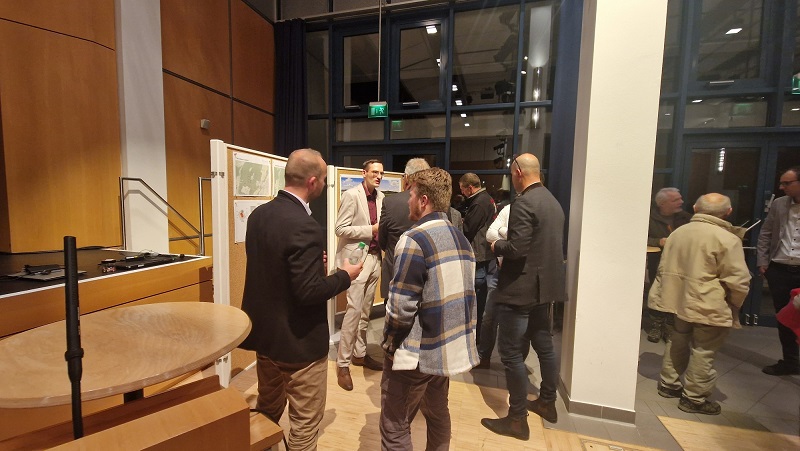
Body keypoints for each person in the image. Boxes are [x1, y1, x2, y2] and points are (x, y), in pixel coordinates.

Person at [239, 148, 362, 450]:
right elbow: (309, 292)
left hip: (265, 339)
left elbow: (273, 269)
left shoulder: (258, 216)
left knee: (267, 409)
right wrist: (345, 275)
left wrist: (311, 265)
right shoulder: (306, 226)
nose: (324, 184)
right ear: (312, 182)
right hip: (299, 346)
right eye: (323, 178)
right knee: (305, 426)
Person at [380, 168, 478, 450]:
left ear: (423, 200)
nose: (408, 201)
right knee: (437, 414)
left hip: (417, 354)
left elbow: (400, 308)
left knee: (394, 425)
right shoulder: (461, 239)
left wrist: (389, 345)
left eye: (411, 194)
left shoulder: (413, 240)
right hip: (444, 351)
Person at [481, 153, 566, 440]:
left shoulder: (524, 202)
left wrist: (496, 245)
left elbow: (516, 249)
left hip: (520, 290)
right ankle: (547, 402)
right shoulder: (552, 202)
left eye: (511, 174)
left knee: (511, 353)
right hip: (544, 289)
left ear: (518, 172)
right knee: (544, 346)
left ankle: (517, 420)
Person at [649, 193, 750, 415]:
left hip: (678, 300)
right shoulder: (727, 239)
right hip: (709, 302)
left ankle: (668, 384)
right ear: (728, 212)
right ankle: (694, 398)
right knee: (704, 350)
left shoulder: (678, 233)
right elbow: (738, 280)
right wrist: (735, 304)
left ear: (695, 208)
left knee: (677, 339)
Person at [335, 159, 386, 391]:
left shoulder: (382, 197)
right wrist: (370, 229)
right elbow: (340, 228)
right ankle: (342, 364)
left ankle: (360, 354)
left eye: (381, 173)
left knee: (365, 311)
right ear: (363, 173)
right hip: (356, 260)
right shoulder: (351, 195)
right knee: (353, 311)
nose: (378, 176)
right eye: (374, 172)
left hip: (375, 258)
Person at [756, 167, 800, 376]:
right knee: (784, 318)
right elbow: (766, 233)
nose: (781, 187)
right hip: (780, 270)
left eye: (787, 183)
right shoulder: (779, 204)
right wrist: (763, 261)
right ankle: (790, 361)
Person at [378, 158, 430, 302]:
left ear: (406, 177)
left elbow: (382, 240)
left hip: (395, 270)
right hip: (425, 273)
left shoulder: (390, 202)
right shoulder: (434, 202)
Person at [646, 187, 692, 343]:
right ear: (662, 203)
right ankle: (656, 326)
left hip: (681, 262)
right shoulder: (649, 218)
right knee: (657, 292)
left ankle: (669, 326)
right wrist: (658, 241)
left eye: (680, 198)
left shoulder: (687, 219)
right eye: (676, 200)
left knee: (676, 293)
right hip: (658, 261)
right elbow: (639, 237)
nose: (681, 202)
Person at [459, 173, 496, 345]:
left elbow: (468, 229)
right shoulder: (486, 198)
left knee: (476, 296)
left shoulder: (479, 203)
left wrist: (462, 222)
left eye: (462, 189)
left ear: (470, 187)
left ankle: (475, 336)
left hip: (478, 254)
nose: (462, 192)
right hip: (484, 252)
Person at [475, 203, 510, 369]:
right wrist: (507, 233)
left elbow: (521, 240)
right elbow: (490, 234)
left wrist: (502, 231)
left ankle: (513, 362)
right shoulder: (509, 209)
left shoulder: (531, 211)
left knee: (515, 321)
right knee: (488, 317)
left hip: (520, 274)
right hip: (500, 272)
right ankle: (484, 357)